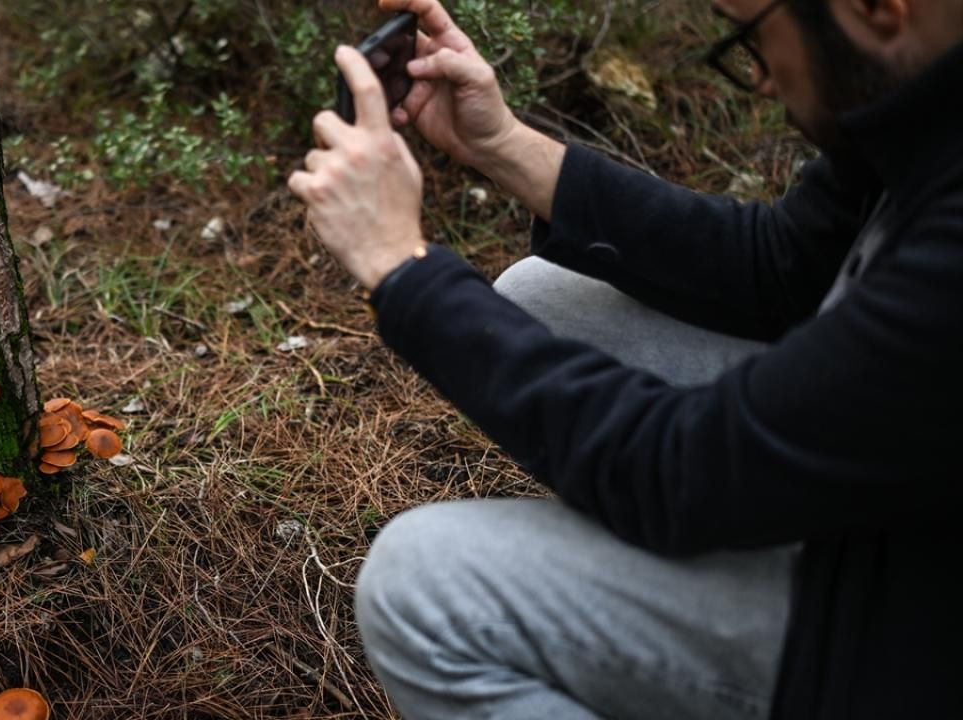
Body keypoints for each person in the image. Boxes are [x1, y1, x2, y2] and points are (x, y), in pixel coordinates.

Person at [286, 0, 963, 718]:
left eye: (753, 38)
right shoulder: (920, 103)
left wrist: (403, 270)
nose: (761, 82)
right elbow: (784, 265)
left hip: (902, 637)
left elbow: (680, 472)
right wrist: (502, 143)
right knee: (546, 297)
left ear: (876, 9)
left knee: (422, 586)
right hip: (898, 512)